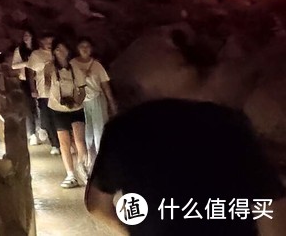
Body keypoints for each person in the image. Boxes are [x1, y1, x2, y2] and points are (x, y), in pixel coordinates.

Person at [85, 99, 286, 234]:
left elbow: (96, 205)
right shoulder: (230, 125)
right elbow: (271, 208)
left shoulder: (124, 128)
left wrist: (131, 232)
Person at [45, 39, 89, 188]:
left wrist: (76, 101)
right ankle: (70, 174)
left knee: (79, 140)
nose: (61, 53)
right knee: (64, 142)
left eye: (63, 49)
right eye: (58, 50)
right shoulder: (50, 68)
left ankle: (83, 168)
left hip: (76, 107)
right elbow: (46, 86)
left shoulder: (75, 67)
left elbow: (82, 89)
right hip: (58, 108)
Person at [72, 37, 116, 167]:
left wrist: (111, 102)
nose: (85, 49)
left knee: (99, 129)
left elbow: (105, 85)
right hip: (80, 102)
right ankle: (87, 158)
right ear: (77, 49)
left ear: (91, 49)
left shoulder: (97, 65)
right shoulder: (72, 64)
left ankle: (99, 159)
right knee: (85, 130)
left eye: (87, 47)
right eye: (82, 46)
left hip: (96, 99)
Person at [26, 33, 61, 153]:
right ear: (41, 42)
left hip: (58, 91)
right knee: (47, 119)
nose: (49, 45)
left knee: (58, 118)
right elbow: (30, 73)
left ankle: (61, 143)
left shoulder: (58, 52)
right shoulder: (36, 55)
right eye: (47, 42)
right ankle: (55, 144)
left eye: (51, 42)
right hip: (43, 92)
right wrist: (33, 89)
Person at [10, 29, 39, 143]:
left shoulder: (37, 50)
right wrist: (27, 63)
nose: (26, 37)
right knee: (28, 105)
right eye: (24, 35)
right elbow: (14, 65)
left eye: (28, 35)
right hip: (25, 80)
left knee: (39, 105)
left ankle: (40, 128)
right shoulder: (19, 50)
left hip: (39, 79)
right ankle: (31, 132)